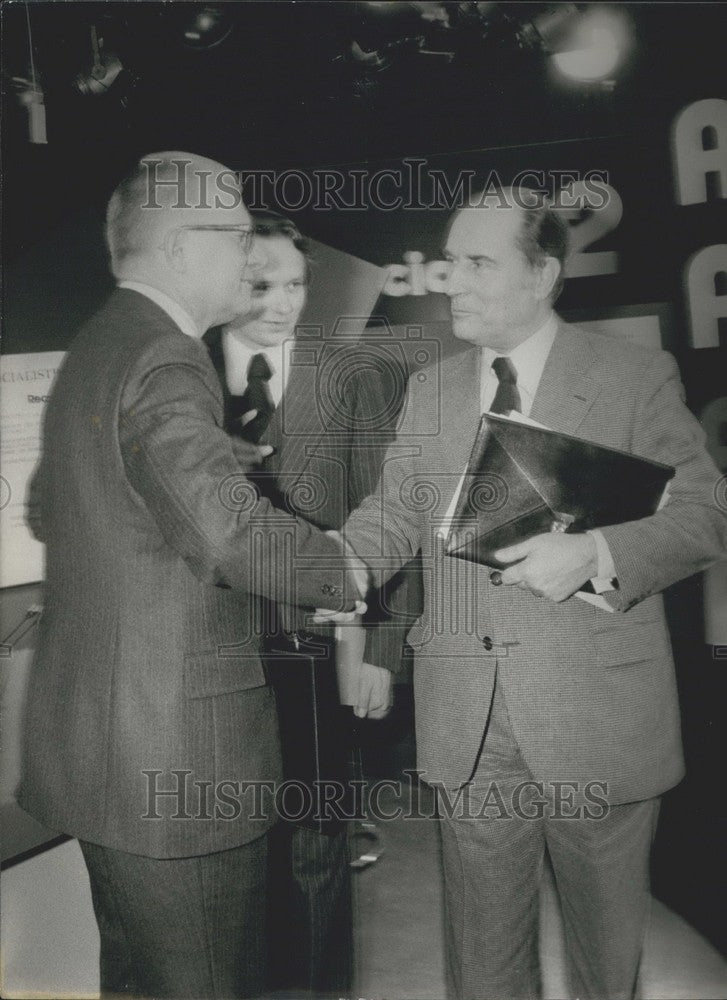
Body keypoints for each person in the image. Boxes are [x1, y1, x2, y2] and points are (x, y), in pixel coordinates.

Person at [318, 188, 727, 999]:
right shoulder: (430, 389)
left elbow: (707, 510)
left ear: (543, 274)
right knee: (481, 958)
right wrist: (332, 567)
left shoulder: (633, 377)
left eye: (478, 263)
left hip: (598, 718)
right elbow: (392, 514)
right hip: (465, 720)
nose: (452, 283)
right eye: (448, 263)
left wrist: (596, 551)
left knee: (603, 962)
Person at [18, 152, 361, 1000]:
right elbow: (230, 542)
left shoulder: (101, 345)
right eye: (239, 234)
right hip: (180, 765)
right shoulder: (170, 359)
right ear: (178, 248)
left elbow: (49, 508)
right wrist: (345, 566)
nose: (251, 257)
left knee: (139, 980)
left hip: (103, 757)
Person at [204, 211, 417, 996]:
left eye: (294, 283)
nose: (282, 301)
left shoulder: (347, 376)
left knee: (317, 840)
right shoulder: (180, 372)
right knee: (230, 842)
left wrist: (379, 652)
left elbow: (390, 512)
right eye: (261, 285)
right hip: (210, 654)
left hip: (324, 651)